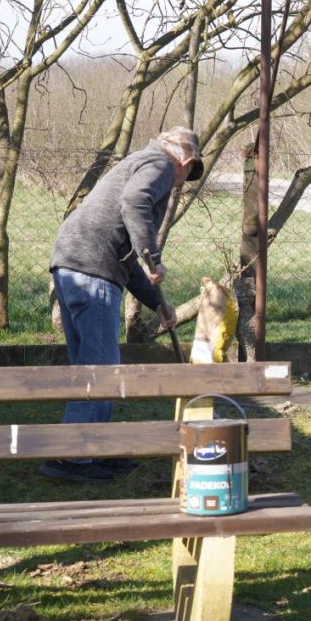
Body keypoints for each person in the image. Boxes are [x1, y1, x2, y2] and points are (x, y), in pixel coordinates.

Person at [42, 127, 204, 483]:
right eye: (187, 175)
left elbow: (125, 257)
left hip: (73, 263)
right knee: (101, 371)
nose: (180, 184)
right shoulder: (160, 163)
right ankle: (71, 458)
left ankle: (91, 450)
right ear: (186, 160)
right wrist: (153, 256)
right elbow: (136, 204)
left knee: (90, 368)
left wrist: (157, 303)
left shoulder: (139, 162)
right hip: (93, 270)